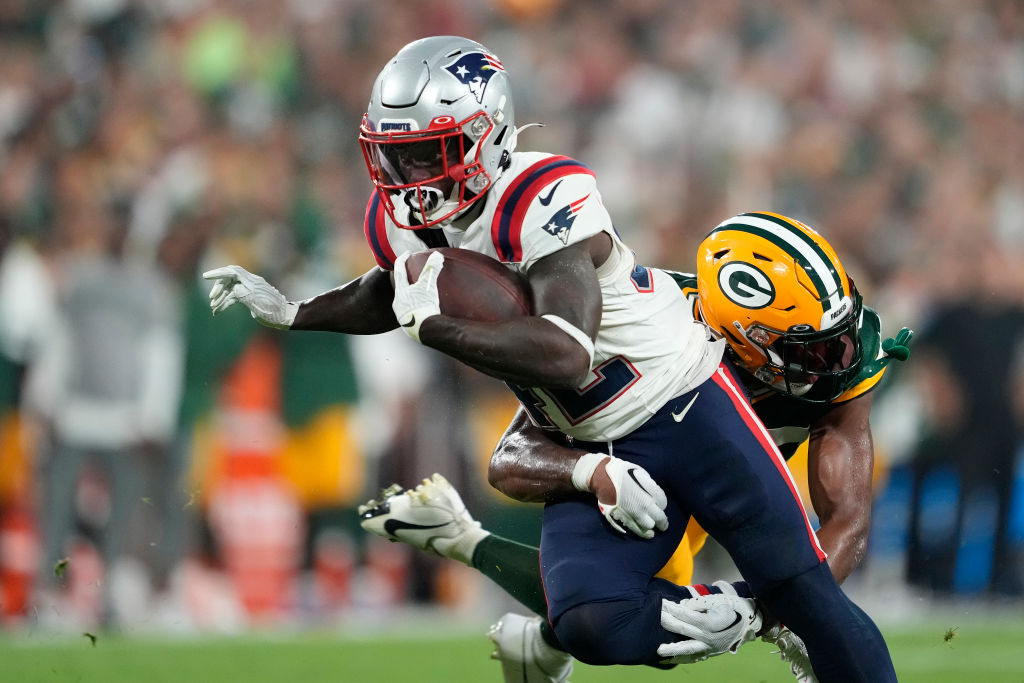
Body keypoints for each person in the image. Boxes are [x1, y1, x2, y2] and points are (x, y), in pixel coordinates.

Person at [203, 36, 897, 681]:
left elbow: (565, 351)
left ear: (485, 134)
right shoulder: (399, 219)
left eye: (426, 151)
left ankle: (751, 609)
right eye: (396, 153)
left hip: (682, 403)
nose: (407, 175)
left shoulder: (545, 197)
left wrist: (753, 607)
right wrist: (296, 311)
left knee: (801, 590)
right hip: (583, 433)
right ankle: (643, 621)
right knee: (592, 622)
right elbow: (391, 289)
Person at [359, 213, 914, 682]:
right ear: (738, 339)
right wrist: (594, 471)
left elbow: (847, 522)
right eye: (809, 351)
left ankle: (525, 626)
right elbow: (509, 459)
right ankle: (474, 548)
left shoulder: (844, 360)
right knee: (614, 608)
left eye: (836, 339)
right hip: (655, 462)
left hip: (738, 466)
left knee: (798, 589)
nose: (837, 360)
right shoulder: (643, 330)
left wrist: (760, 611)